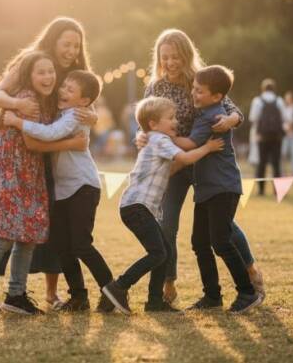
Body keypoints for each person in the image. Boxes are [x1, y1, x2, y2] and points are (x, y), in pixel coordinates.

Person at [135, 28, 262, 305]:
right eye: (164, 57)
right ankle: (168, 283)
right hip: (176, 163)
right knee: (167, 224)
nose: (169, 62)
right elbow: (144, 122)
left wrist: (230, 121)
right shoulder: (155, 87)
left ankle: (250, 269)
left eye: (175, 56)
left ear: (186, 55)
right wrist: (141, 136)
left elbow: (233, 110)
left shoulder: (200, 80)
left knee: (221, 225)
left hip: (206, 162)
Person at [0, 17, 98, 310]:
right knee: (4, 224)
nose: (72, 50)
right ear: (53, 40)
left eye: (77, 45)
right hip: (20, 152)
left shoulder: (76, 74)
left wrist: (93, 117)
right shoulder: (31, 62)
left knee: (45, 224)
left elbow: (87, 107)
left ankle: (49, 292)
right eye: (66, 44)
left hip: (48, 158)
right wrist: (17, 107)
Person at [0, 52, 75, 316]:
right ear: (29, 75)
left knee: (29, 232)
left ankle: (16, 294)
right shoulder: (27, 100)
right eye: (41, 72)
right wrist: (72, 142)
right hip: (8, 168)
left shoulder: (43, 101)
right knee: (7, 231)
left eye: (51, 71)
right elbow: (33, 142)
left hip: (28, 171)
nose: (48, 77)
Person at [101, 96, 224, 314]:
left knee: (163, 251)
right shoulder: (159, 140)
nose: (176, 121)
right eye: (171, 117)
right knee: (157, 253)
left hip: (140, 208)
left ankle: (155, 302)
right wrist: (208, 147)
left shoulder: (155, 140)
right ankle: (118, 287)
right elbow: (185, 159)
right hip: (137, 207)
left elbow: (170, 169)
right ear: (153, 124)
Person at [5, 69, 113, 312]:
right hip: (64, 190)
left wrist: (17, 121)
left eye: (70, 90)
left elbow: (50, 134)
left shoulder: (75, 115)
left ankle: (112, 289)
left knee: (81, 244)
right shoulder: (64, 111)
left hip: (83, 186)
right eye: (64, 86)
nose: (62, 91)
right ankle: (78, 297)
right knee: (63, 245)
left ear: (84, 101)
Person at [176, 66, 262, 314]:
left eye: (199, 91)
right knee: (200, 242)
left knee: (221, 242)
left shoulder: (213, 117)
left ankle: (247, 292)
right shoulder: (209, 111)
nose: (193, 94)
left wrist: (161, 134)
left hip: (222, 188)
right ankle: (212, 295)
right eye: (193, 88)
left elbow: (190, 144)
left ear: (216, 96)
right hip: (207, 189)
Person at [250, 79, 285, 195]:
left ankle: (261, 190)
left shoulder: (257, 101)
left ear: (263, 89)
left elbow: (253, 118)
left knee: (262, 163)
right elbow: (284, 118)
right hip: (277, 136)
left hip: (262, 136)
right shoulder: (279, 100)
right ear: (273, 88)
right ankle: (277, 191)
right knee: (276, 163)